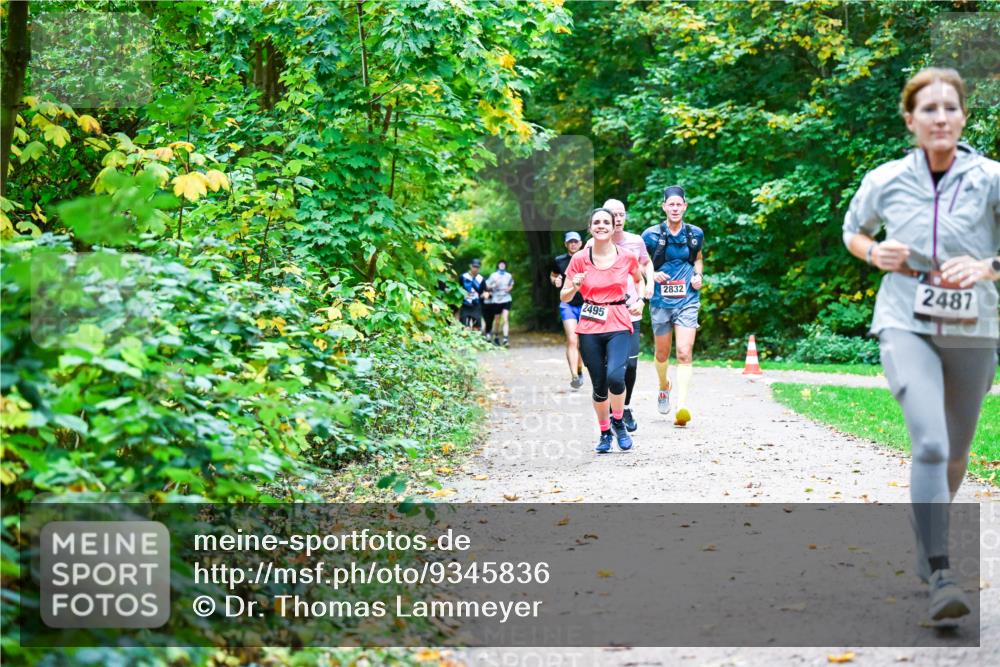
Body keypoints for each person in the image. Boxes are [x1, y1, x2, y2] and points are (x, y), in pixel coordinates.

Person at [842, 67, 1000, 623]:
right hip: (904, 317)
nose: (940, 118)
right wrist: (872, 252)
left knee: (955, 453)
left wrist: (988, 266)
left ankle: (926, 538)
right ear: (910, 119)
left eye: (950, 108)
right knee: (930, 444)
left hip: (974, 326)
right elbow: (853, 229)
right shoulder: (886, 179)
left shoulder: (991, 178)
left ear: (963, 117)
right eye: (929, 109)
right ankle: (941, 570)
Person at [562, 208, 643, 453]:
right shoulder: (579, 259)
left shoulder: (626, 256)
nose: (601, 225)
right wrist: (574, 287)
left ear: (613, 226)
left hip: (618, 321)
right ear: (590, 227)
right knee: (599, 386)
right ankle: (605, 432)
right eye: (596, 222)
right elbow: (564, 296)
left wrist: (640, 300)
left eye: (606, 222)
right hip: (590, 325)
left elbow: (639, 279)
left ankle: (618, 422)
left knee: (616, 377)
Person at [585, 199, 654, 432]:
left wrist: (648, 288)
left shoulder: (635, 241)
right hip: (602, 314)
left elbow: (646, 264)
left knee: (630, 366)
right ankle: (609, 414)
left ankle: (624, 408)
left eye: (621, 214)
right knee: (607, 367)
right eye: (613, 214)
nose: (618, 218)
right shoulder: (591, 245)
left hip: (629, 310)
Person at [641, 186, 705, 426]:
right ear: (664, 207)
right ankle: (663, 386)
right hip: (660, 302)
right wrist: (651, 275)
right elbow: (639, 263)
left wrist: (698, 276)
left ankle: (682, 405)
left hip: (687, 300)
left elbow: (698, 259)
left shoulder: (695, 233)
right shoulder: (650, 235)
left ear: (685, 207)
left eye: (679, 204)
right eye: (671, 204)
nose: (675, 208)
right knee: (662, 353)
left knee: (684, 352)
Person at [551, 231, 585, 389]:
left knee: (584, 343)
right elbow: (553, 275)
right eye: (570, 242)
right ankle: (574, 376)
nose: (573, 244)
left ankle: (579, 368)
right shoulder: (559, 260)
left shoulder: (587, 259)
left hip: (586, 305)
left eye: (575, 242)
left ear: (581, 243)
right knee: (572, 340)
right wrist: (555, 281)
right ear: (566, 244)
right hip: (568, 304)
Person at [485, 260, 514, 346]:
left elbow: (511, 284)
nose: (502, 265)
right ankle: (496, 336)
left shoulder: (508, 275)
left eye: (503, 264)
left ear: (505, 266)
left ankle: (505, 339)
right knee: (497, 320)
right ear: (498, 265)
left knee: (505, 319)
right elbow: (487, 286)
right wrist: (494, 285)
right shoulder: (493, 275)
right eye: (500, 264)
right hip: (496, 300)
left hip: (506, 298)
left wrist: (509, 289)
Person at [459, 259, 486, 330]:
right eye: (474, 266)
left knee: (476, 327)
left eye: (477, 267)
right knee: (464, 327)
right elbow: (459, 288)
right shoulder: (463, 277)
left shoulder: (481, 279)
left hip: (476, 304)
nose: (475, 269)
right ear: (470, 266)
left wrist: (485, 295)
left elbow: (484, 291)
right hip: (465, 304)